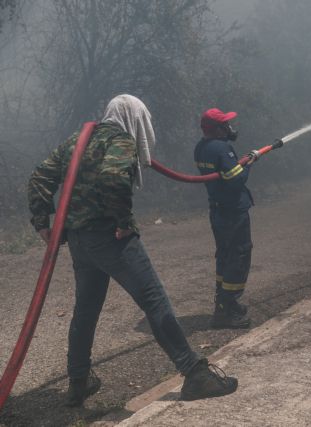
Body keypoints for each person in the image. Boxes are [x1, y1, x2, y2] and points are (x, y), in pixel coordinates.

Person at [27, 94, 237, 407]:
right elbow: (113, 177)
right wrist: (123, 220)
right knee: (154, 299)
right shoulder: (121, 140)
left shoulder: (78, 140)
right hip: (111, 236)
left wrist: (42, 221)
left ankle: (79, 381)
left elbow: (39, 176)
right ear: (135, 119)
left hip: (80, 241)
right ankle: (195, 374)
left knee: (85, 309)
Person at [194, 108, 256, 329]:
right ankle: (226, 310)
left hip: (218, 211)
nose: (230, 128)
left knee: (224, 255)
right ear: (218, 129)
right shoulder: (222, 148)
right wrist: (248, 163)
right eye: (226, 125)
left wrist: (239, 163)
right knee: (238, 255)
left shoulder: (201, 148)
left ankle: (223, 303)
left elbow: (223, 174)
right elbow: (235, 180)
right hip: (233, 212)